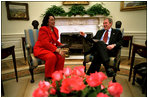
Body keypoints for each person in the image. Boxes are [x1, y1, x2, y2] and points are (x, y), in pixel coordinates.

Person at [33, 13, 65, 80]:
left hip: (50, 48)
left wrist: (61, 45)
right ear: (47, 21)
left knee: (61, 56)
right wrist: (57, 50)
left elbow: (55, 40)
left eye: (54, 20)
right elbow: (45, 43)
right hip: (41, 48)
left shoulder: (55, 29)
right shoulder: (43, 29)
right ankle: (48, 77)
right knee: (51, 56)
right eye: (52, 20)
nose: (54, 21)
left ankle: (58, 75)